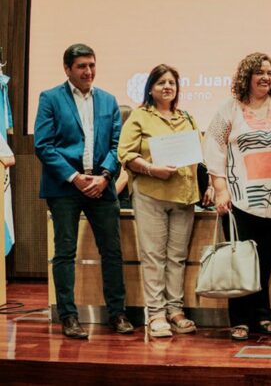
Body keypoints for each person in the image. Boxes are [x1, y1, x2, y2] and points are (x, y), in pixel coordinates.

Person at [34, 43, 134, 339]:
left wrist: (105, 176)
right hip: (64, 187)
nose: (88, 71)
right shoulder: (50, 98)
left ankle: (117, 313)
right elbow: (43, 145)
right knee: (65, 253)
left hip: (101, 186)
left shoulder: (108, 100)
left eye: (91, 65)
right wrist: (74, 177)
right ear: (67, 69)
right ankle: (68, 316)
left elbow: (118, 144)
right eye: (81, 66)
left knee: (112, 253)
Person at [203, 52, 271, 340]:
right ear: (247, 77)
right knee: (240, 260)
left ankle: (261, 315)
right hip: (239, 199)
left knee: (264, 261)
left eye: (269, 73)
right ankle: (239, 318)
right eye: (259, 72)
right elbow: (214, 146)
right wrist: (219, 189)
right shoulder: (230, 108)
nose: (266, 77)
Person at [118, 64, 211, 337]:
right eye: (161, 83)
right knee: (154, 257)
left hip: (184, 197)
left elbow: (199, 157)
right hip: (151, 195)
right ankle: (156, 315)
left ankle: (176, 311)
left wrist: (207, 187)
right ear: (151, 88)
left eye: (171, 83)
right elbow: (125, 154)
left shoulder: (187, 118)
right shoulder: (139, 117)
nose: (167, 87)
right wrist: (151, 169)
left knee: (177, 258)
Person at [116, 105, 133, 209]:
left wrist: (108, 198)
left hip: (122, 200)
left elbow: (124, 177)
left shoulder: (126, 145)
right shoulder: (118, 143)